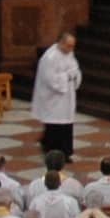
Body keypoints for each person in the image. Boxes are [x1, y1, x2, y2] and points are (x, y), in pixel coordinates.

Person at [33, 32, 81, 160]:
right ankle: (52, 152)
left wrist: (74, 75)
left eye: (72, 46)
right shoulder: (50, 57)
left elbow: (75, 68)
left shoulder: (69, 53)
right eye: (68, 46)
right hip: (54, 97)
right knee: (55, 126)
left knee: (66, 125)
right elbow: (49, 78)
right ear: (61, 43)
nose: (70, 49)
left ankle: (66, 152)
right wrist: (67, 76)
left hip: (67, 97)